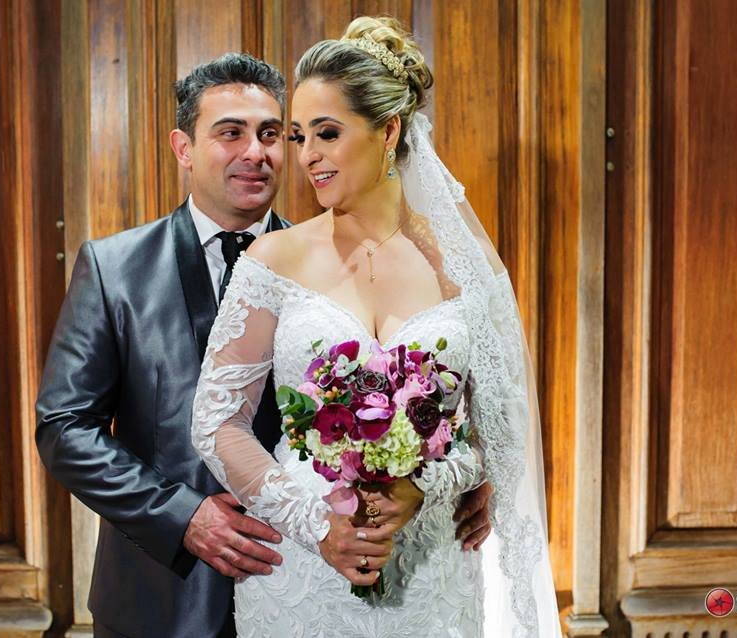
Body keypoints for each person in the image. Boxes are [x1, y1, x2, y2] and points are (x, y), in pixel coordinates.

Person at [36, 51, 490, 638]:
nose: (257, 152)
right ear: (183, 148)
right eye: (231, 133)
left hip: (321, 574)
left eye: (272, 134)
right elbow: (65, 427)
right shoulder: (113, 268)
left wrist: (459, 478)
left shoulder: (321, 265)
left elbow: (450, 403)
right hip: (166, 589)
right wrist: (181, 516)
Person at [190, 17, 562, 637]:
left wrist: (428, 483)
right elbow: (217, 421)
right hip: (302, 573)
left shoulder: (462, 267)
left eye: (327, 133)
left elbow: (499, 433)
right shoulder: (273, 259)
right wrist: (317, 525)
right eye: (299, 136)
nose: (307, 156)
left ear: (388, 131)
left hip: (432, 571)